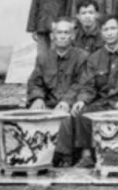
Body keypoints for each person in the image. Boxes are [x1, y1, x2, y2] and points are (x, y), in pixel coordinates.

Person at [72, 17, 118, 169]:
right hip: (103, 102)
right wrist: (82, 100)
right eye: (105, 29)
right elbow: (88, 85)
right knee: (82, 113)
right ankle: (86, 155)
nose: (109, 33)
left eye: (113, 28)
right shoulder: (94, 58)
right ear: (101, 33)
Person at [25, 19, 87, 168]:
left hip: (71, 103)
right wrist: (38, 98)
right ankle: (36, 155)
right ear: (52, 36)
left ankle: (63, 156)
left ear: (72, 36)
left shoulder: (82, 57)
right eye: (59, 32)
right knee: (33, 114)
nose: (63, 36)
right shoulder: (43, 58)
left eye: (66, 32)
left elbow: (81, 83)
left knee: (64, 117)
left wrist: (66, 101)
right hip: (50, 102)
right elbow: (35, 82)